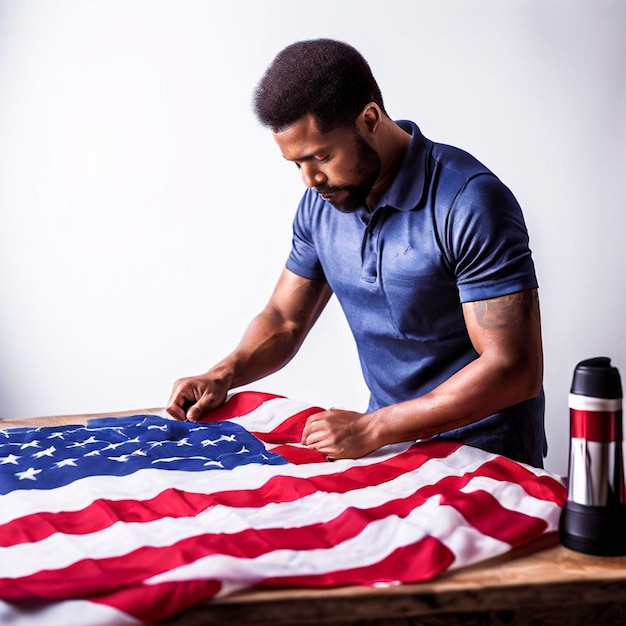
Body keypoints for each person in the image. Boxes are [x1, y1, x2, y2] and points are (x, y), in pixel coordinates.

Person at [166, 38, 547, 467]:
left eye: (321, 156)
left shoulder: (468, 201)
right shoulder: (322, 202)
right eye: (296, 164)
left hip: (487, 462)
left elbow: (514, 368)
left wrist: (375, 426)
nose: (309, 180)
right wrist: (223, 373)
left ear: (369, 119)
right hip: (388, 454)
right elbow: (285, 319)